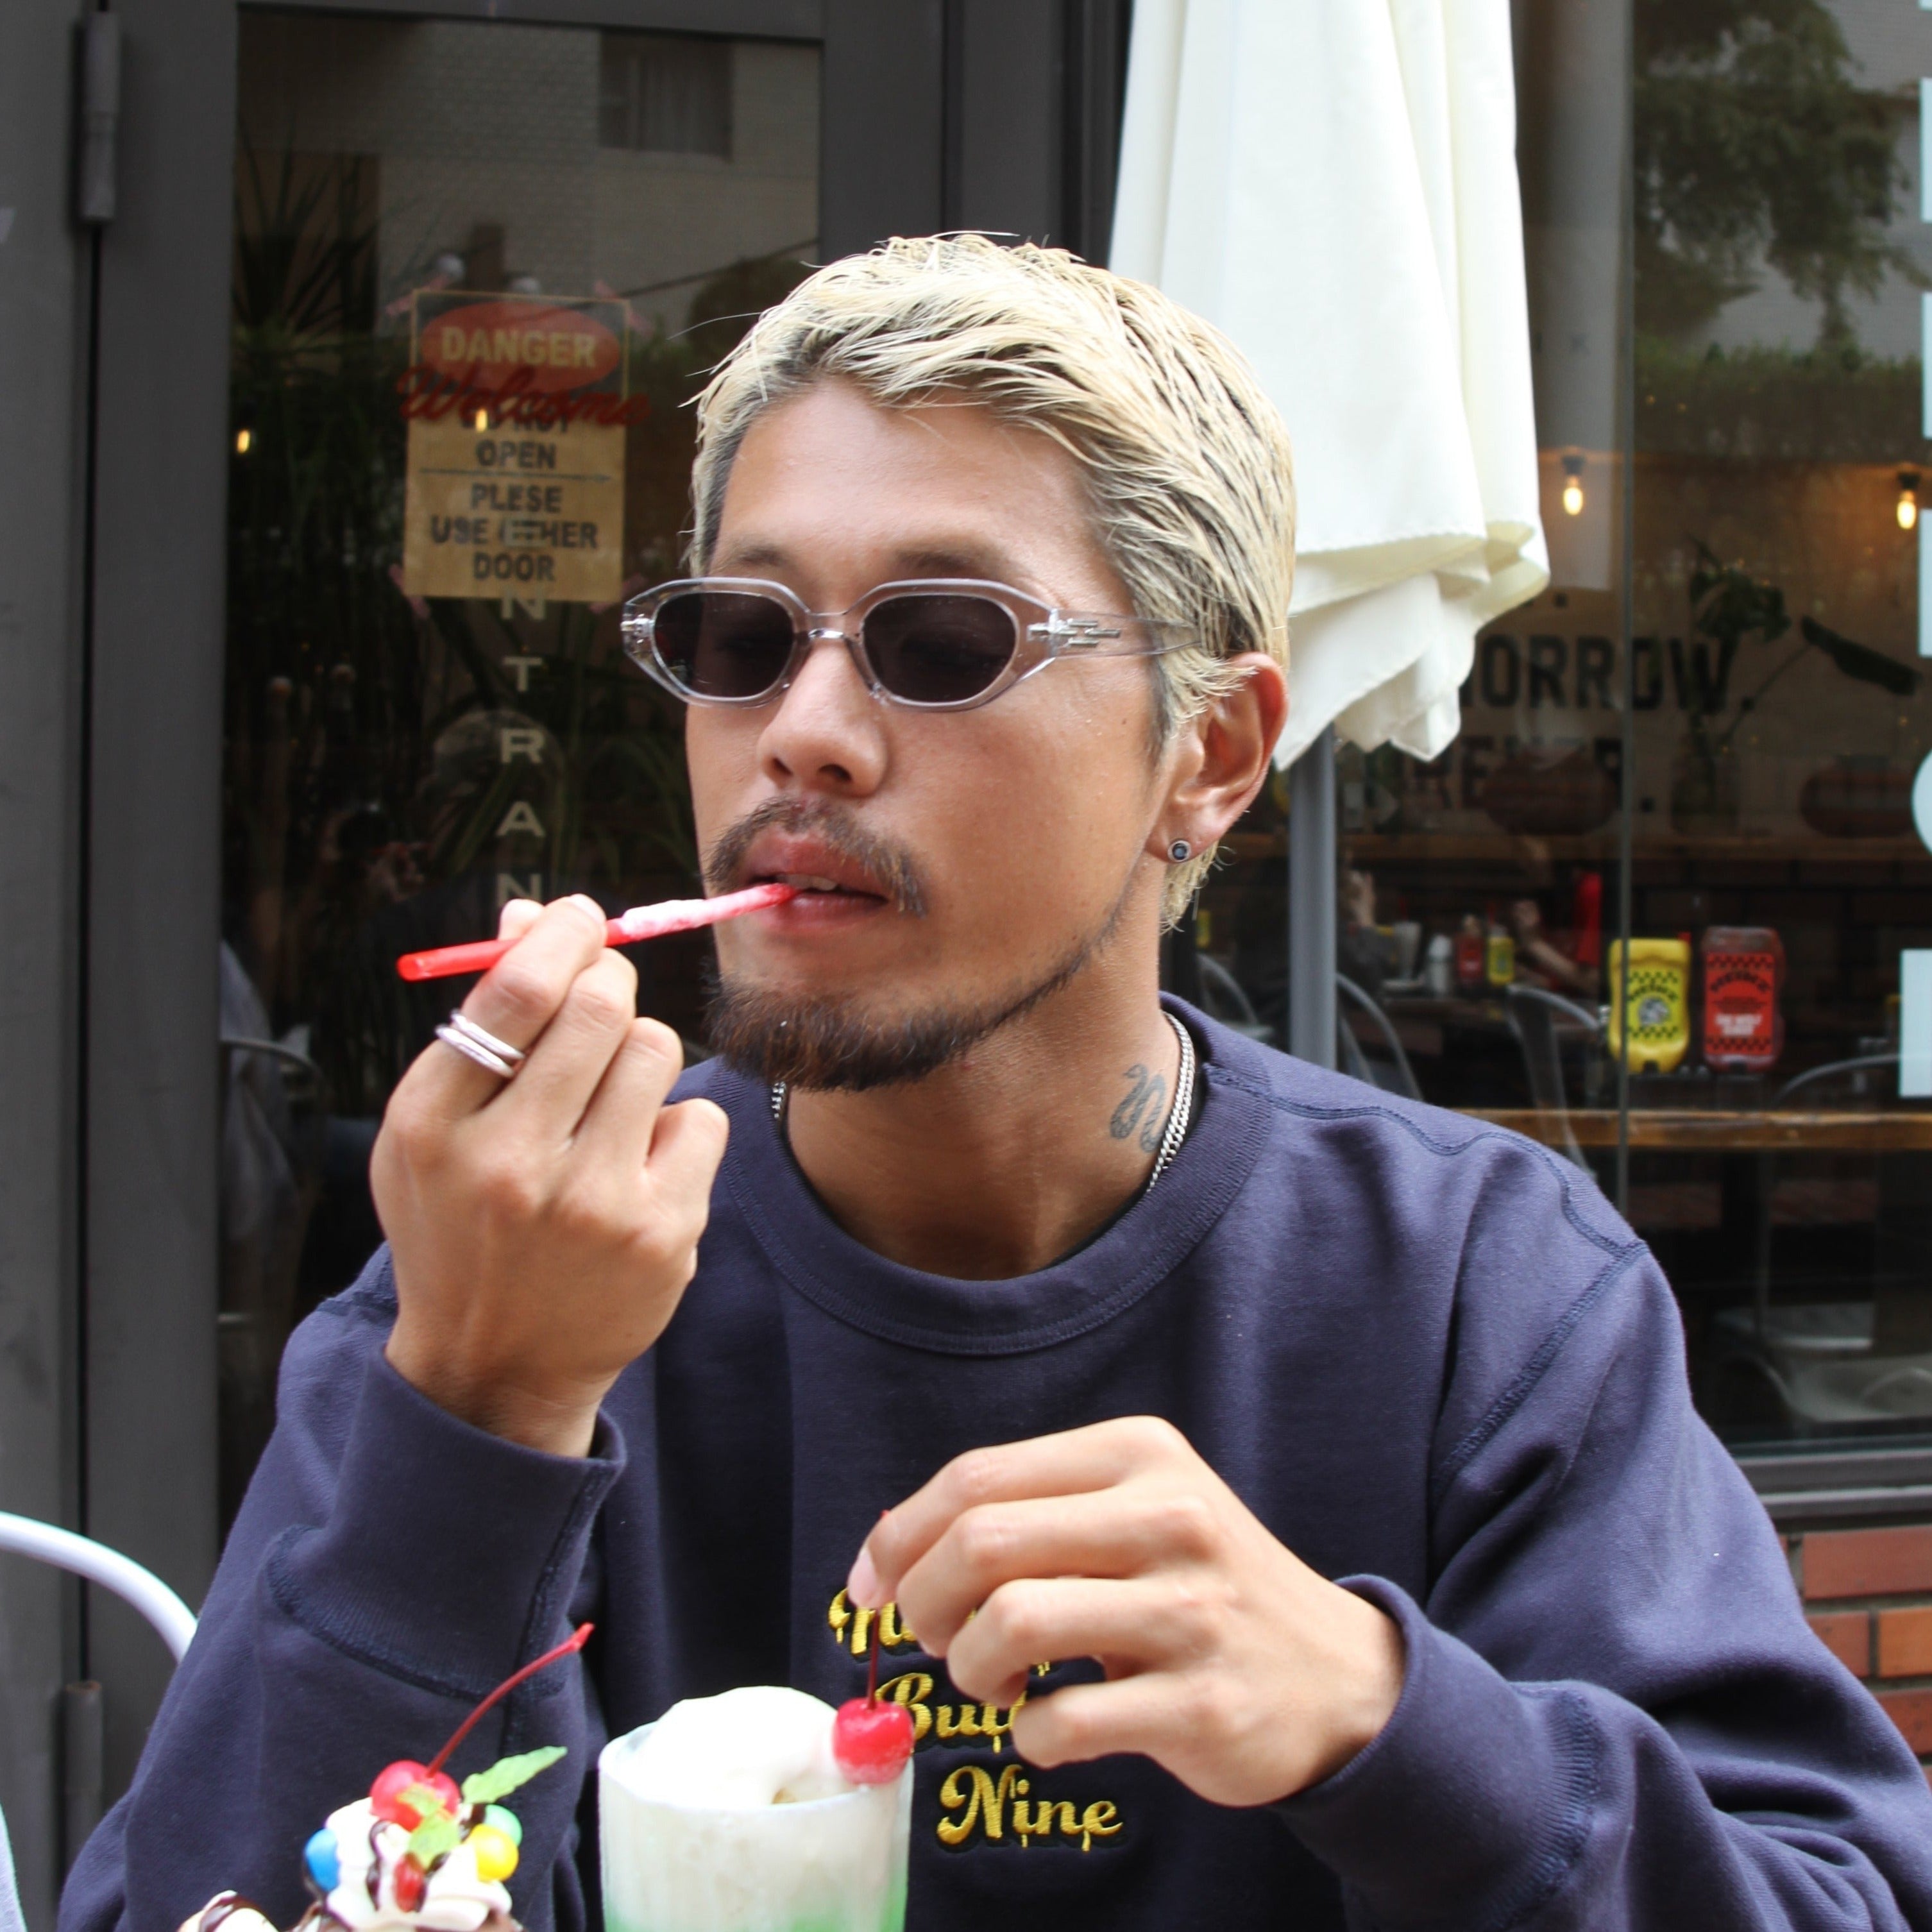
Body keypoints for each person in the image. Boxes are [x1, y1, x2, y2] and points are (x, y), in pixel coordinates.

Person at [65, 237, 1932, 1932]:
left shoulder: (1474, 1291)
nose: (803, 731)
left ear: (1209, 753)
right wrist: (476, 1423)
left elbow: (1827, 1895)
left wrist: (1382, 1719)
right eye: (742, 638)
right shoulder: (516, 1289)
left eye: (942, 642)